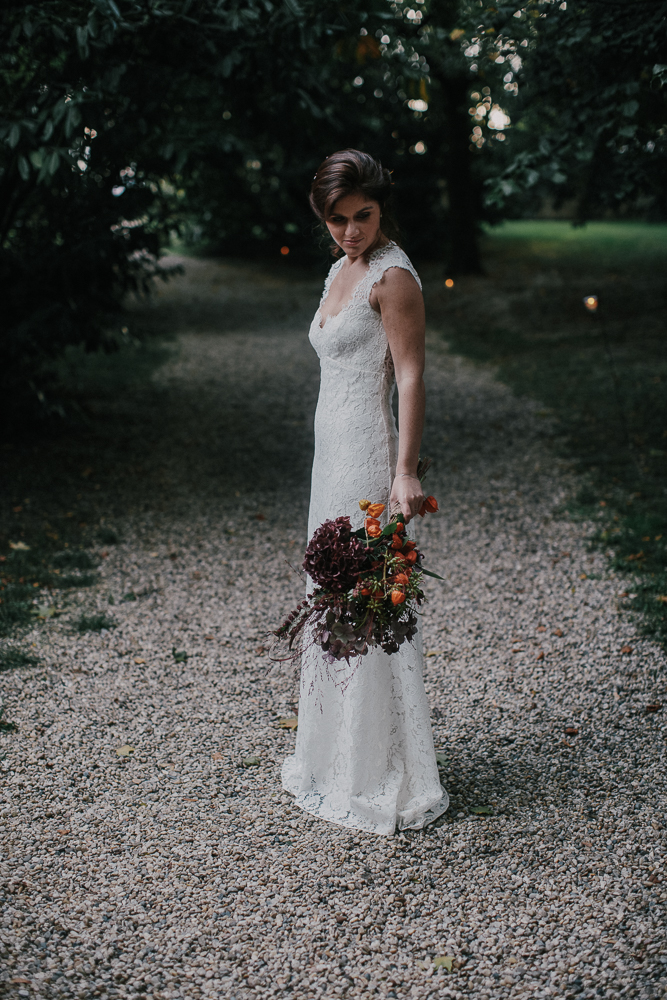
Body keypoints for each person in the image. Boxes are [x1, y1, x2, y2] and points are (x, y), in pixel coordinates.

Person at [281, 149, 448, 835]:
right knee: (333, 600)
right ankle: (333, 757)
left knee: (369, 601)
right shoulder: (339, 268)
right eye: (336, 219)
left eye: (362, 217)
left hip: (367, 461)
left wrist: (404, 470)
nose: (350, 232)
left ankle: (384, 768)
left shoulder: (393, 277)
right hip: (330, 457)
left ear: (381, 210)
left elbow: (408, 376)